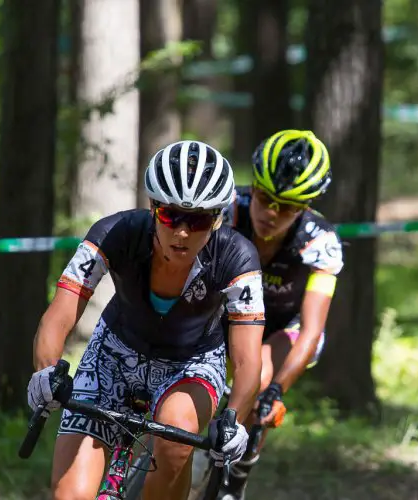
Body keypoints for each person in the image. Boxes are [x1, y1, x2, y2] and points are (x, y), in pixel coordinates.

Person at [27, 140, 265, 500]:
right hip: (114, 353)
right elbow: (59, 314)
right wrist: (47, 370)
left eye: (198, 220)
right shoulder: (115, 232)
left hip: (192, 363)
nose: (182, 232)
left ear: (217, 218)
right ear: (153, 208)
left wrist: (233, 419)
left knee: (176, 431)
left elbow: (248, 360)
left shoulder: (237, 257)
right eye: (170, 216)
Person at [216, 129, 344, 499]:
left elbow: (311, 330)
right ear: (252, 188)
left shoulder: (319, 241)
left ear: (304, 207)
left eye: (286, 207)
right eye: (264, 198)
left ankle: (235, 481)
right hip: (226, 317)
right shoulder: (226, 212)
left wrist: (275, 391)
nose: (270, 214)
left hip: (284, 328)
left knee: (259, 378)